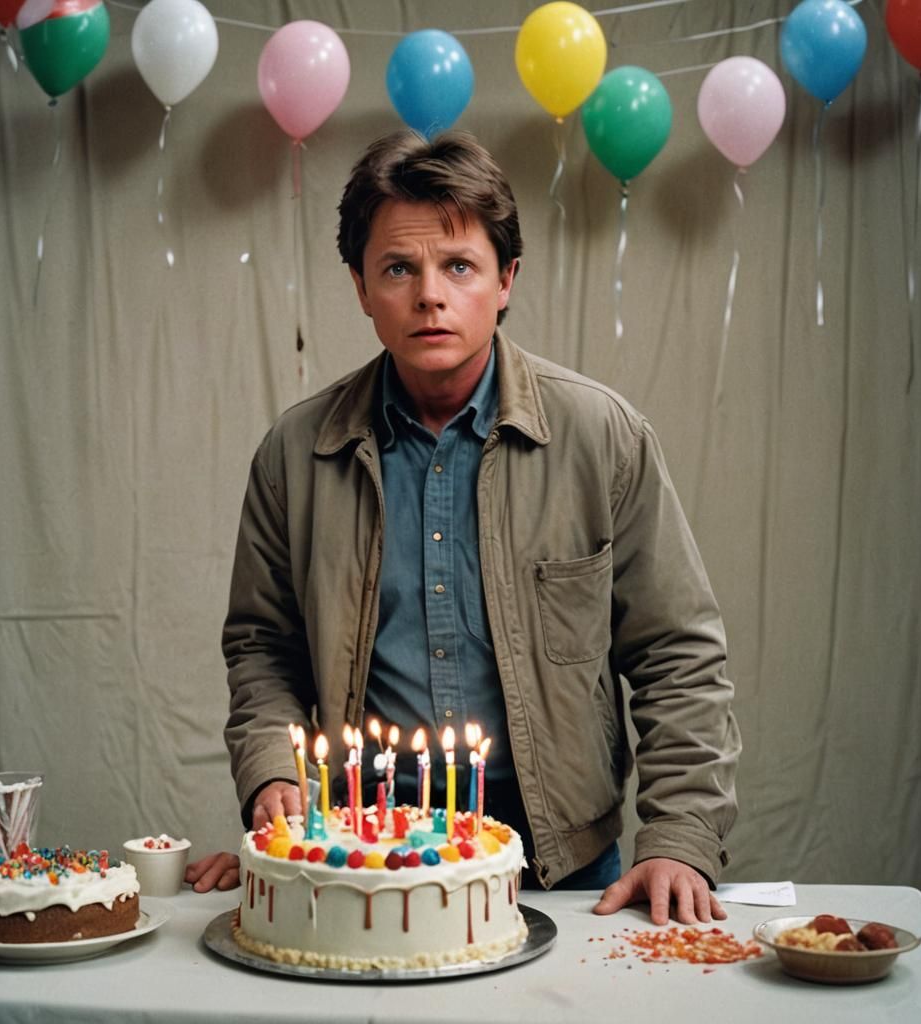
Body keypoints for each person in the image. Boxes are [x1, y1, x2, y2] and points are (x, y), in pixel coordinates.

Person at [187, 130, 741, 926]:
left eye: (458, 266)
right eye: (398, 269)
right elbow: (262, 648)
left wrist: (680, 837)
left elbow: (678, 653)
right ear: (359, 286)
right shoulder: (294, 455)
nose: (429, 296)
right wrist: (273, 767)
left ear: (505, 279)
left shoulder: (601, 436)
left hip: (564, 868)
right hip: (366, 862)